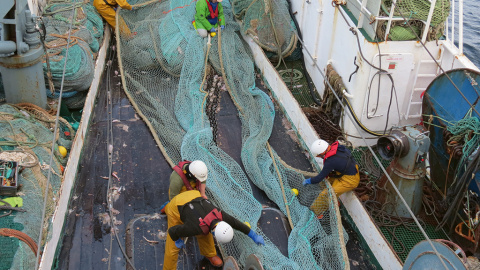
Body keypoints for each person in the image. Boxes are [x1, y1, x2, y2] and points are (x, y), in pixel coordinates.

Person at [163, 190, 265, 269]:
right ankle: (167, 207)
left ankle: (210, 255)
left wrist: (253, 235)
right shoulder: (194, 228)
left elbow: (236, 223)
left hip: (193, 195)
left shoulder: (221, 215)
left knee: (204, 231)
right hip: (177, 205)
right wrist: (177, 240)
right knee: (172, 248)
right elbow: (172, 231)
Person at [303, 139, 360, 218]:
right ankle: (334, 201)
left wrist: (309, 181)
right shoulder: (338, 148)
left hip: (350, 181)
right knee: (324, 183)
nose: (319, 156)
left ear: (322, 152)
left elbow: (319, 177)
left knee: (325, 194)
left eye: (318, 155)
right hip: (343, 173)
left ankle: (314, 214)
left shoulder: (330, 161)